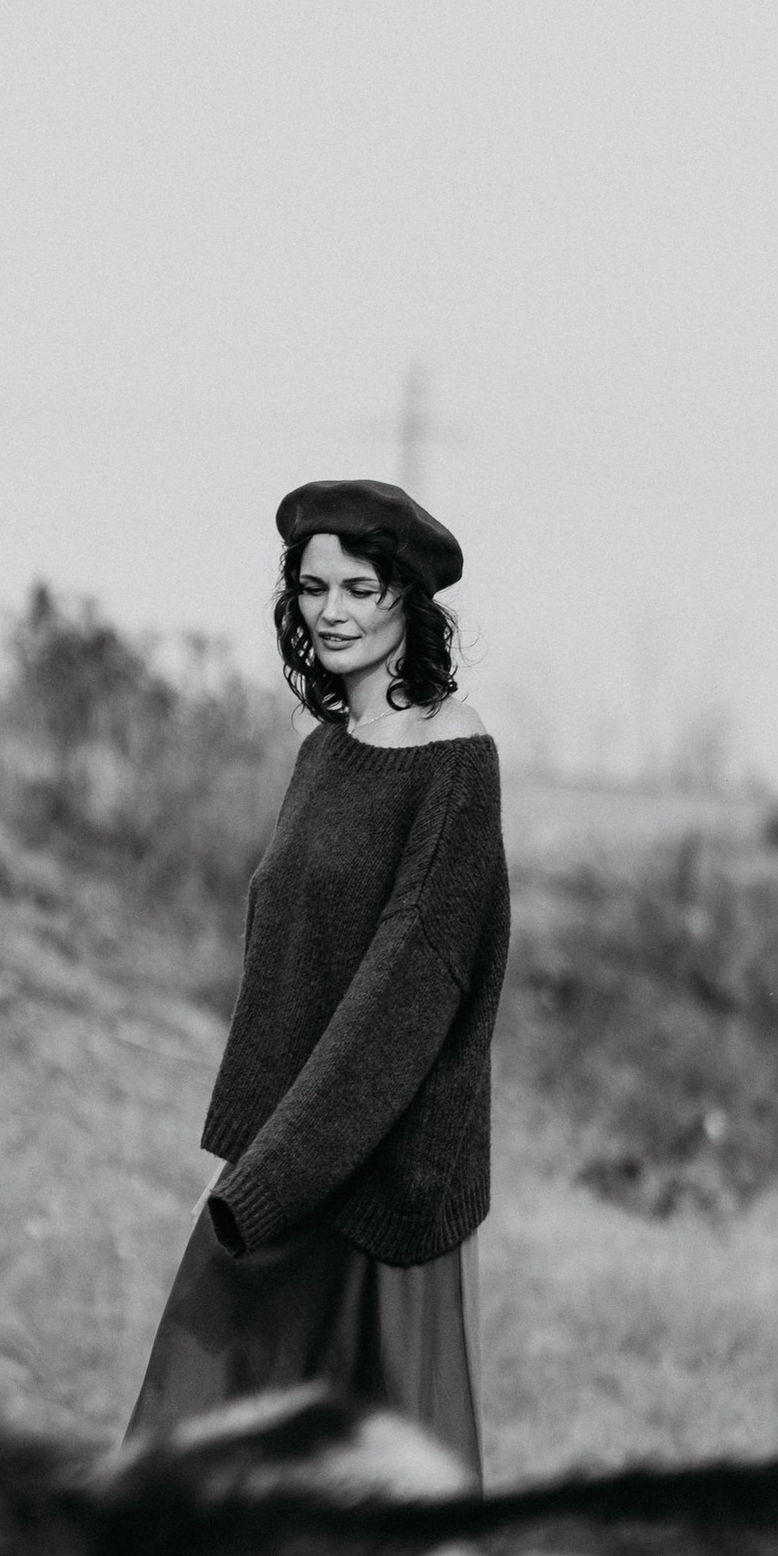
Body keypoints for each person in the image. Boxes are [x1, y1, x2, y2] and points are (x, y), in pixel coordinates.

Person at [124, 478, 509, 1486]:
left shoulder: (454, 757)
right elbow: (287, 965)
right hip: (289, 1165)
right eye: (311, 587)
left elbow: (404, 993)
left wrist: (269, 1176)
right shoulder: (323, 752)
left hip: (380, 1192)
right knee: (193, 1456)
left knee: (381, 1496)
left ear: (407, 597)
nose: (331, 611)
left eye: (359, 588)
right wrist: (258, 1157)